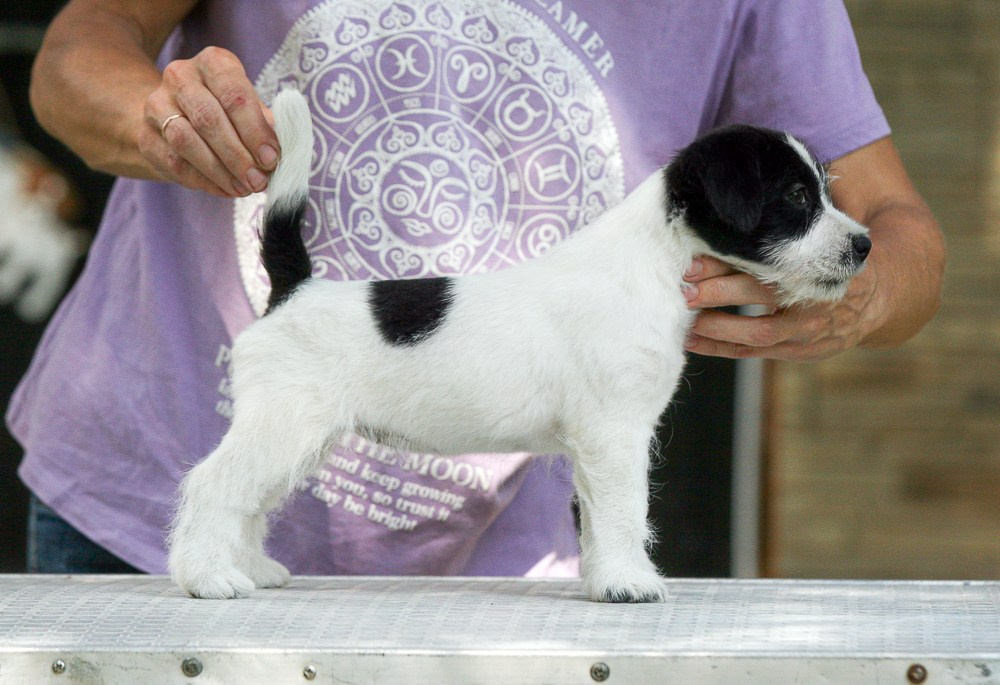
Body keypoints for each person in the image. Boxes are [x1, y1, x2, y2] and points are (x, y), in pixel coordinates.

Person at [10, 0, 944, 576]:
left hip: (500, 579)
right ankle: (208, 539)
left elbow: (900, 232)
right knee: (272, 446)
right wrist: (156, 115)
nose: (828, 226)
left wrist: (865, 293)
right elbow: (74, 51)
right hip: (123, 501)